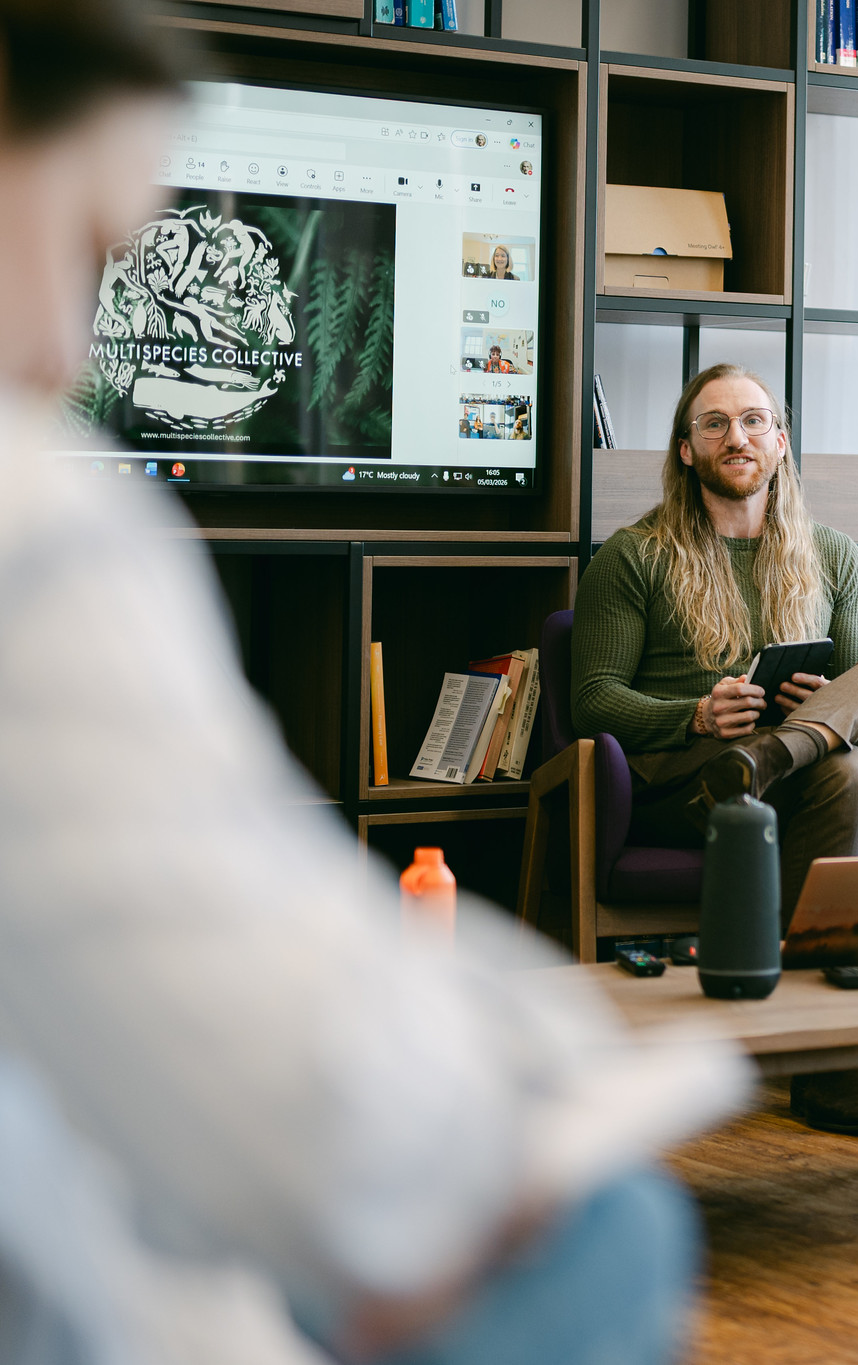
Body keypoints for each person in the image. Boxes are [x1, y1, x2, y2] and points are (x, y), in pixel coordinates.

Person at [0, 1, 748, 1361]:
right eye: (87, 246)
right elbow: (298, 1107)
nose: (66, 350)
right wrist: (518, 1107)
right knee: (616, 1225)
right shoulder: (38, 531)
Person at [571, 361, 858, 1136]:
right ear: (686, 450)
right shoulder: (633, 556)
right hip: (696, 785)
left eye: (753, 420)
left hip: (788, 765)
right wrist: (698, 716)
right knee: (844, 768)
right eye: (713, 423)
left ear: (780, 441)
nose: (735, 435)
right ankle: (837, 1074)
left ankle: (787, 749)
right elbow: (591, 698)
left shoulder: (834, 554)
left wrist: (812, 708)